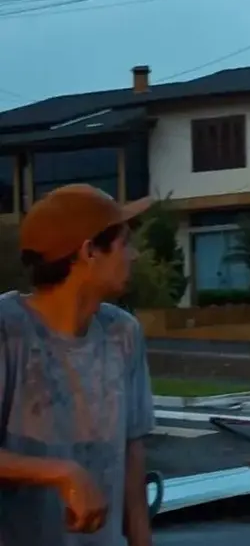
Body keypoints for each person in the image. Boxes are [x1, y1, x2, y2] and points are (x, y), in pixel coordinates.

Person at [0, 184, 155, 546]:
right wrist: (62, 473)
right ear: (89, 251)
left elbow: (133, 455)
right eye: (124, 243)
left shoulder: (123, 333)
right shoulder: (8, 332)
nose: (134, 256)